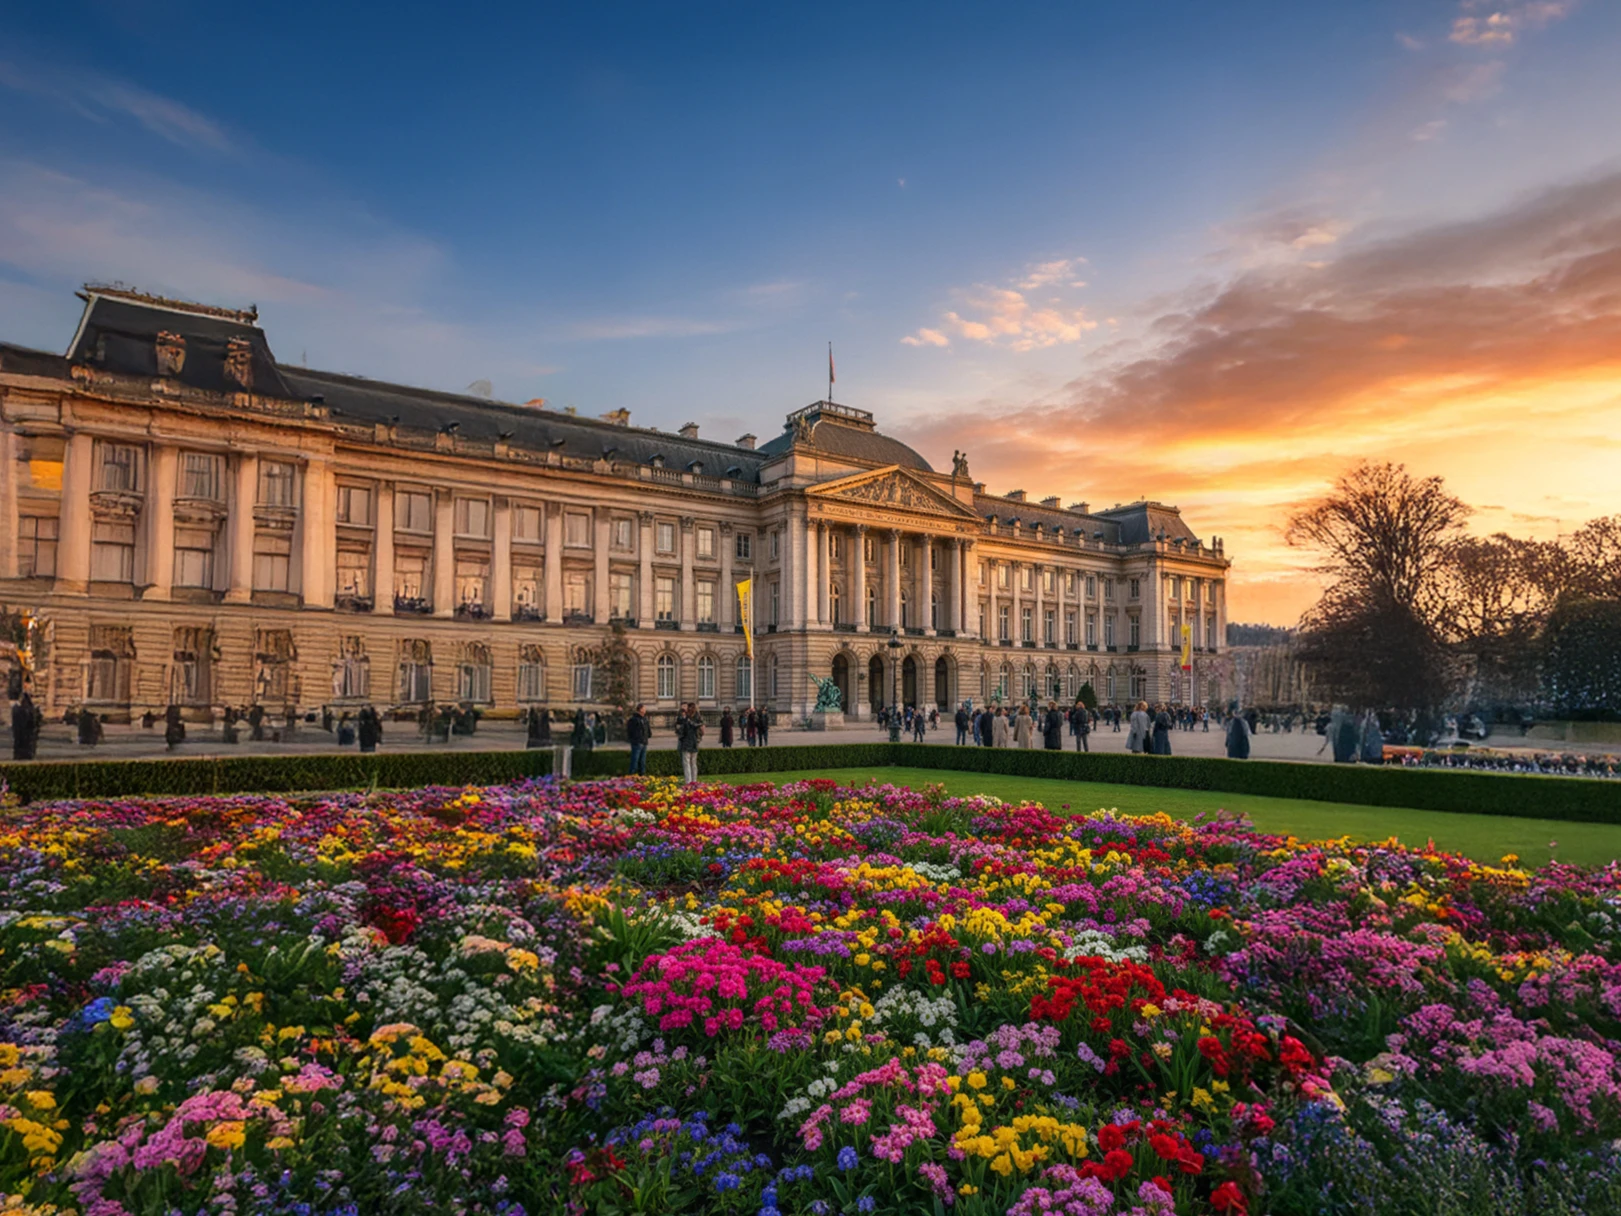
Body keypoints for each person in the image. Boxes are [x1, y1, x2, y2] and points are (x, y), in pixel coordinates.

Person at [675, 701, 704, 783]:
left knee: (687, 763)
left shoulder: (685, 719)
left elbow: (680, 730)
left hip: (687, 742)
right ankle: (694, 780)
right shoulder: (697, 719)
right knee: (693, 763)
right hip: (694, 742)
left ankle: (688, 781)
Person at [10, 692, 41, 761]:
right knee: (22, 745)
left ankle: (21, 755)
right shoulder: (27, 709)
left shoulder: (21, 709)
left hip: (24, 732)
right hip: (23, 732)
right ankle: (21, 755)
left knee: (22, 745)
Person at [626, 703, 650, 775]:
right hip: (637, 743)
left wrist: (648, 736)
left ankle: (642, 776)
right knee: (635, 762)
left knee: (642, 762)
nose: (645, 710)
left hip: (644, 742)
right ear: (640, 709)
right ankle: (631, 777)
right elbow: (630, 731)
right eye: (644, 708)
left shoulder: (645, 719)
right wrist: (635, 739)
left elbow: (648, 729)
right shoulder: (633, 719)